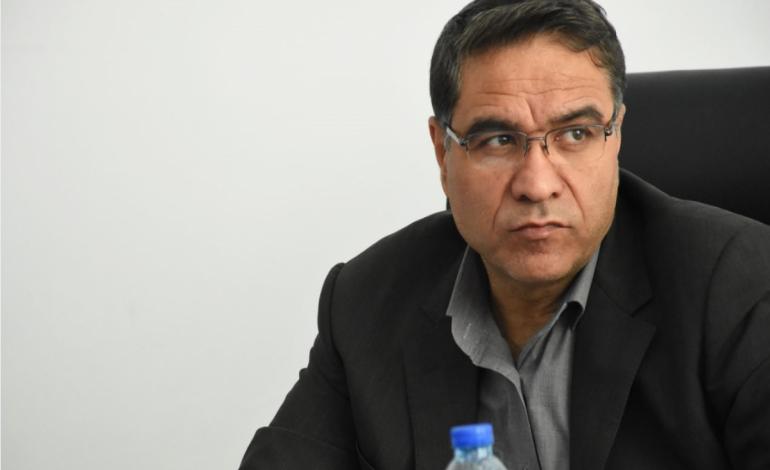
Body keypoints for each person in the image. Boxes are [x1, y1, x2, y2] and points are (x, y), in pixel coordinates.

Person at [239, 1, 770, 469]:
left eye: (576, 134)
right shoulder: (366, 302)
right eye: (497, 139)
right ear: (442, 152)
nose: (537, 185)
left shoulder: (737, 287)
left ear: (616, 137)